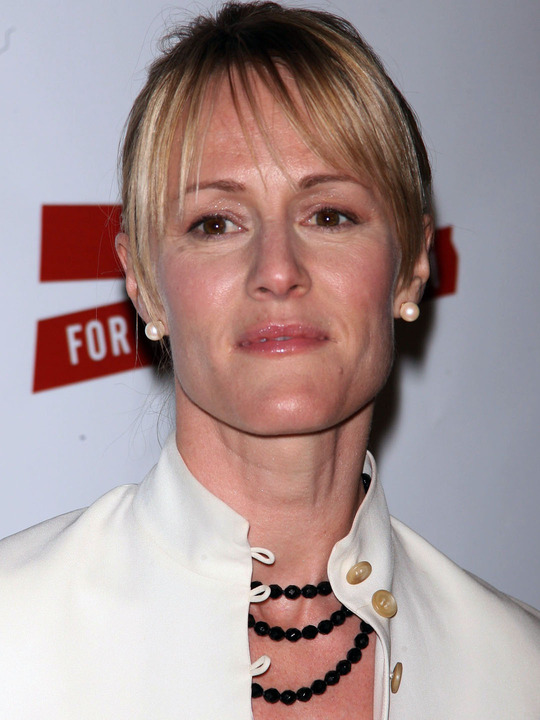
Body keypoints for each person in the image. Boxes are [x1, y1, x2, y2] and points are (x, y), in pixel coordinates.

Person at [0, 2, 539, 718]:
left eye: (329, 215)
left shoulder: (518, 669)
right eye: (216, 223)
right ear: (143, 281)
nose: (278, 270)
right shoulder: (14, 632)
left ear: (412, 266)